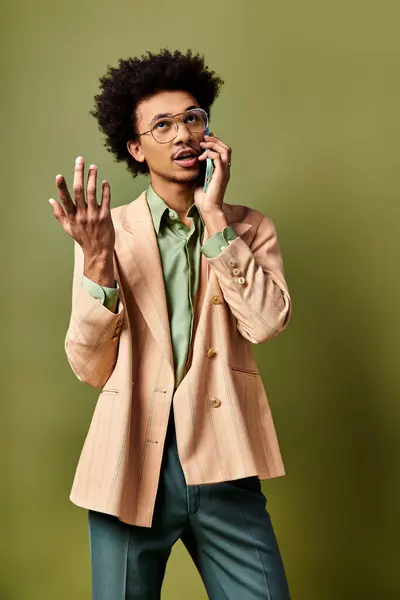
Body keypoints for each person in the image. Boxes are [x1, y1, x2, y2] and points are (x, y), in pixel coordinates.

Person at [49, 48, 292, 600]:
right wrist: (95, 264)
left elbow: (267, 323)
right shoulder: (106, 232)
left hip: (227, 460)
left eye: (192, 118)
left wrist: (213, 216)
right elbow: (89, 368)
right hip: (131, 461)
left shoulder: (249, 229)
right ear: (135, 147)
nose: (182, 133)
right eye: (162, 124)